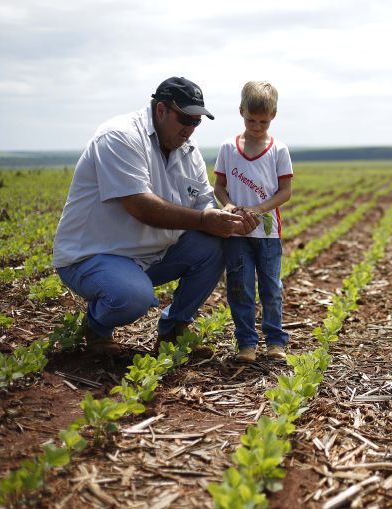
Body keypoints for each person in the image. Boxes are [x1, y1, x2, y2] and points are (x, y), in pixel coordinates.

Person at [53, 76, 258, 356]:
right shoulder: (120, 136)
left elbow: (202, 203)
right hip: (95, 255)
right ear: (161, 110)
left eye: (196, 122)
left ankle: (174, 331)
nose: (189, 129)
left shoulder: (188, 149)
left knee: (215, 244)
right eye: (185, 119)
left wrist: (227, 215)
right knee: (132, 296)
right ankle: (97, 328)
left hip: (151, 255)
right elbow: (140, 205)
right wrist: (203, 220)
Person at [214, 81, 293, 362]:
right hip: (236, 232)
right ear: (240, 111)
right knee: (240, 288)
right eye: (251, 119)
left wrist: (259, 208)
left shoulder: (278, 150)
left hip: (268, 234)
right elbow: (219, 186)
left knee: (271, 289)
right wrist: (230, 205)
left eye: (263, 120)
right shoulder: (228, 147)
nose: (257, 126)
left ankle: (275, 342)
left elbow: (285, 192)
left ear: (273, 115)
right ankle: (246, 343)